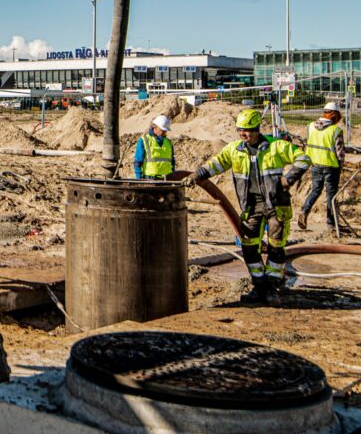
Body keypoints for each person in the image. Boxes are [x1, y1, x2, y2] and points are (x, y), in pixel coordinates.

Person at [184, 108, 311, 303]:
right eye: (240, 130)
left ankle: (272, 288)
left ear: (257, 129)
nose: (243, 134)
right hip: (251, 207)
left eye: (248, 130)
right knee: (249, 247)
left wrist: (288, 180)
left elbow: (303, 159)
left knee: (276, 247)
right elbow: (216, 164)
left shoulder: (276, 147)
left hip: (277, 205)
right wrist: (196, 175)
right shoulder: (234, 150)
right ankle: (258, 286)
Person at [297, 102, 346, 231]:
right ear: (334, 115)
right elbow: (340, 152)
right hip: (331, 166)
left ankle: (304, 211)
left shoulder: (311, 127)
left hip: (314, 163)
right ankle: (331, 223)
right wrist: (341, 165)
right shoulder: (336, 130)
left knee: (316, 190)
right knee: (331, 195)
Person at [133, 115, 175, 179]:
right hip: (150, 180)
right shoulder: (144, 141)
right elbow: (137, 162)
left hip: (167, 180)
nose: (165, 133)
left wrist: (173, 176)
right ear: (155, 128)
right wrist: (139, 179)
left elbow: (172, 162)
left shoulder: (168, 142)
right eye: (162, 130)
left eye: (165, 131)